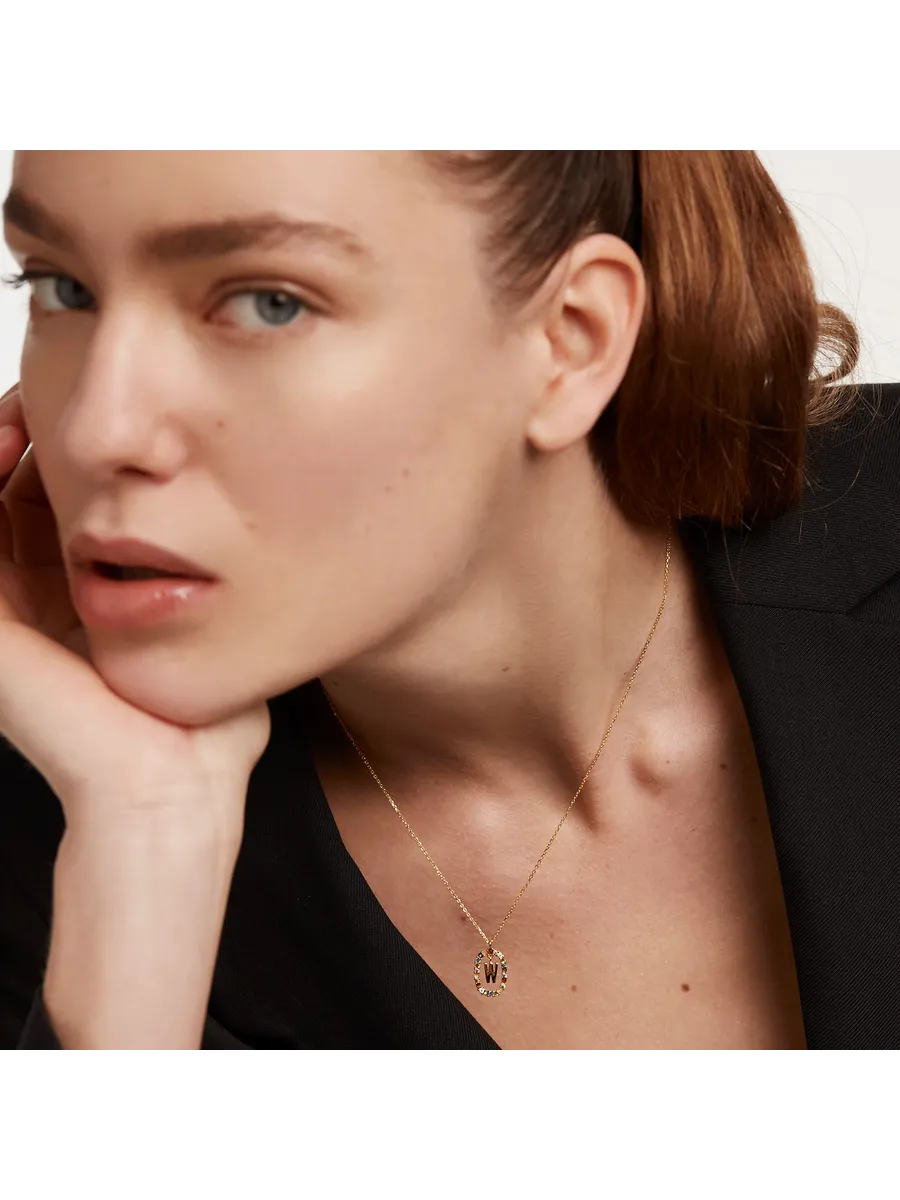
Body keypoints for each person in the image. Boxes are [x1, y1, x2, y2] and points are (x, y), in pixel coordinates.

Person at [0, 147, 896, 1055]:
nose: (95, 429)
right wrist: (146, 831)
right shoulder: (63, 875)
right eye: (61, 288)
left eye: (269, 302)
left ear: (571, 341)